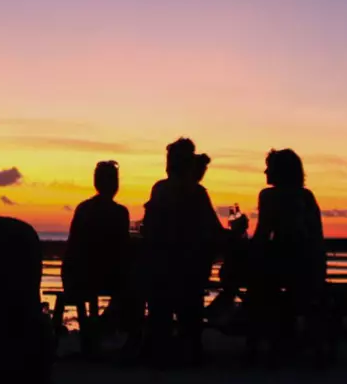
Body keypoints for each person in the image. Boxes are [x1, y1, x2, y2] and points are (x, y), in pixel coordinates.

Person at [141, 137, 224, 364]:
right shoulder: (196, 193)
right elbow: (216, 232)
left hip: (162, 270)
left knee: (156, 286)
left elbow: (148, 230)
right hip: (189, 272)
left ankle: (160, 342)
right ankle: (189, 343)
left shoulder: (161, 190)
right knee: (191, 291)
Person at [250, 147, 328, 358]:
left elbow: (263, 234)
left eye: (268, 168)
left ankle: (263, 335)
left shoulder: (270, 196)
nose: (265, 173)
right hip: (312, 268)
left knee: (253, 280)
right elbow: (315, 236)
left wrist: (240, 238)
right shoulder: (306, 196)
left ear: (280, 171)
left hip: (287, 269)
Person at [61, 160, 130, 352]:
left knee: (127, 283)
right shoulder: (119, 212)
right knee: (133, 285)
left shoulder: (84, 208)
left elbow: (73, 246)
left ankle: (99, 327)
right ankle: (104, 327)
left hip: (79, 274)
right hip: (98, 276)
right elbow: (121, 248)